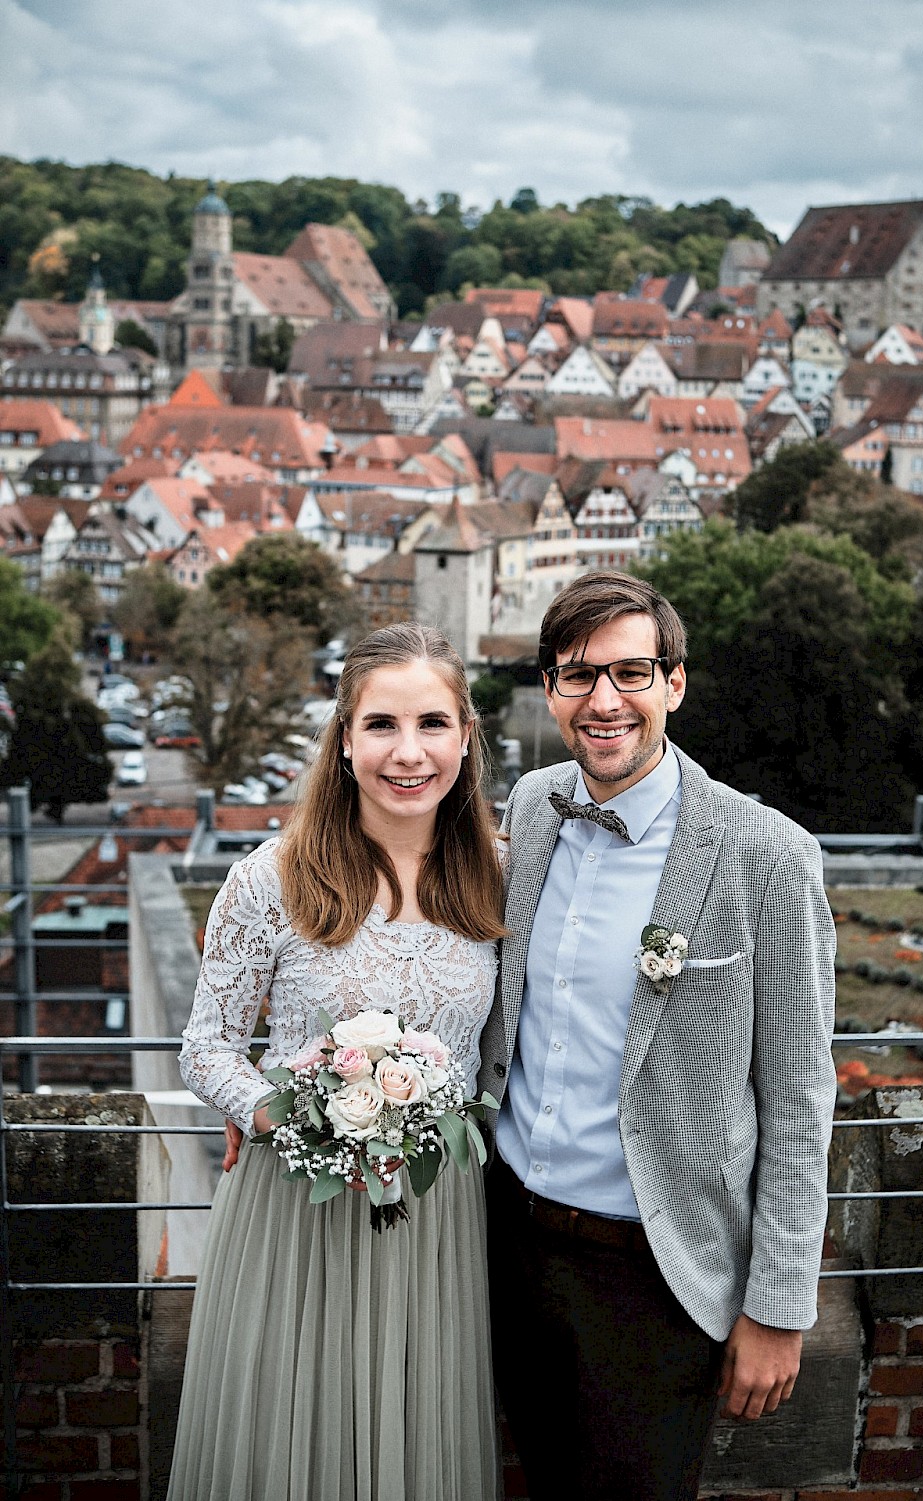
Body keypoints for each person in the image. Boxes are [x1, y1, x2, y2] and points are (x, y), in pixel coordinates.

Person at [478, 570, 837, 1501]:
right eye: (577, 673)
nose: (605, 700)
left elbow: (798, 1099)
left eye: (631, 671)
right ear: (550, 689)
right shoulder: (534, 806)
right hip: (504, 1244)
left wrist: (778, 1308)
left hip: (653, 1275)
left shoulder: (767, 854)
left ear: (675, 682)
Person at [168, 622, 505, 1501]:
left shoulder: (503, 878)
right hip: (294, 1208)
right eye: (382, 725)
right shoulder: (270, 878)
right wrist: (290, 1114)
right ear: (345, 739)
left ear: (466, 738)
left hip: (436, 1217)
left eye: (433, 724)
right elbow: (206, 1047)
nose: (409, 752)